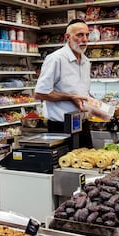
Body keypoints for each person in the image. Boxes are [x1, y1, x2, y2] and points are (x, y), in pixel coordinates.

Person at [35, 18, 93, 148]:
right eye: (79, 35)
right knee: (65, 166)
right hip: (61, 128)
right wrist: (70, 97)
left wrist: (99, 106)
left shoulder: (86, 61)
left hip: (82, 124)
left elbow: (82, 91)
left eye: (87, 35)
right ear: (68, 37)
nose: (84, 39)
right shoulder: (56, 59)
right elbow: (40, 93)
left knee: (87, 163)